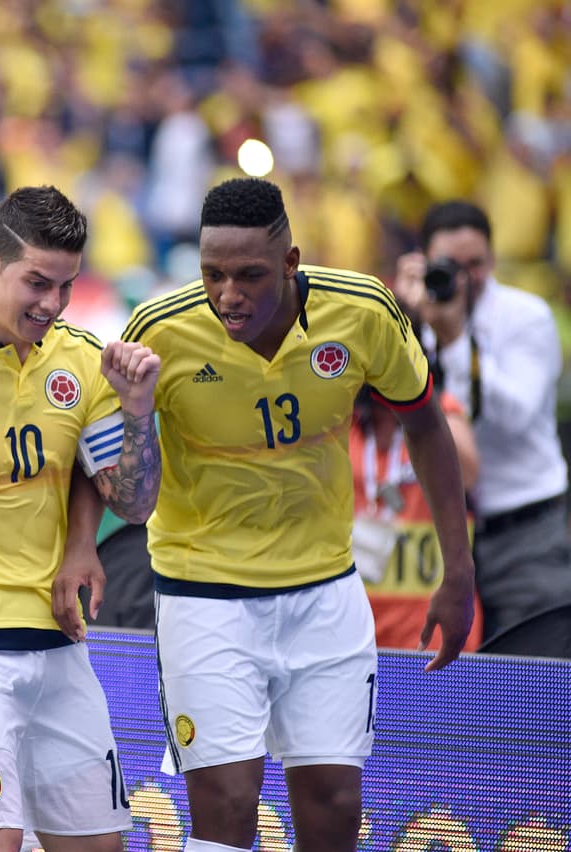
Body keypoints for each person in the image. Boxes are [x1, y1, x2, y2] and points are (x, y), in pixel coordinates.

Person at [121, 177, 473, 852]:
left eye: (250, 274)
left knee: (336, 806)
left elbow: (425, 424)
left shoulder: (363, 309)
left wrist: (458, 571)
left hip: (325, 591)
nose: (228, 295)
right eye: (212, 275)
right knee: (226, 807)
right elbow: (123, 482)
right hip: (205, 597)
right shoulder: (159, 329)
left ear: (291, 261)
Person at [0, 185, 160, 851]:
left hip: (61, 643)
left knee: (100, 845)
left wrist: (136, 410)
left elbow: (131, 499)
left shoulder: (80, 357)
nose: (52, 304)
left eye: (66, 286)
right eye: (37, 283)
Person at [392, 200, 571, 642]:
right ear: (425, 262)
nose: (466, 278)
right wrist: (400, 318)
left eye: (477, 264)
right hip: (440, 538)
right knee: (455, 681)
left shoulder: (525, 316)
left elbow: (517, 414)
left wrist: (454, 340)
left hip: (522, 532)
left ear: (492, 258)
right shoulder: (416, 317)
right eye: (451, 265)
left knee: (531, 675)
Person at [351, 379, 484, 651]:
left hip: (428, 631)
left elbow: (469, 472)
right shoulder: (341, 417)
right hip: (354, 628)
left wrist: (417, 398)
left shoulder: (439, 411)